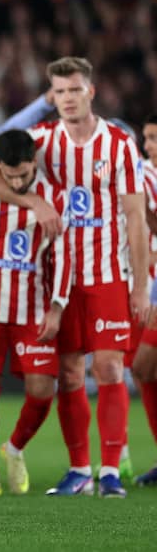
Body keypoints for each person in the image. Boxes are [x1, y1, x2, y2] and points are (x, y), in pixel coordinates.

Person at [0, 56, 149, 498]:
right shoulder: (42, 140)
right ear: (53, 96)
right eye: (60, 92)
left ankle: (110, 471)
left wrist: (141, 284)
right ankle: (80, 470)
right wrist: (35, 203)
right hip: (58, 281)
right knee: (69, 374)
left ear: (91, 91)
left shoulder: (119, 145)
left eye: (75, 90)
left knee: (108, 368)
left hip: (108, 273)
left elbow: (135, 217)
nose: (67, 99)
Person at [0, 129, 71, 496]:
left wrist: (57, 307)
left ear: (34, 163)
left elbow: (64, 256)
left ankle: (15, 447)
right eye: (10, 175)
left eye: (23, 174)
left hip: (33, 308)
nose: (18, 182)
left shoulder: (53, 198)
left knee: (42, 391)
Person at [132, 113, 157, 486]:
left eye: (154, 138)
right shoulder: (144, 173)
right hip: (151, 287)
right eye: (146, 138)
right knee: (144, 369)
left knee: (143, 366)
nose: (148, 145)